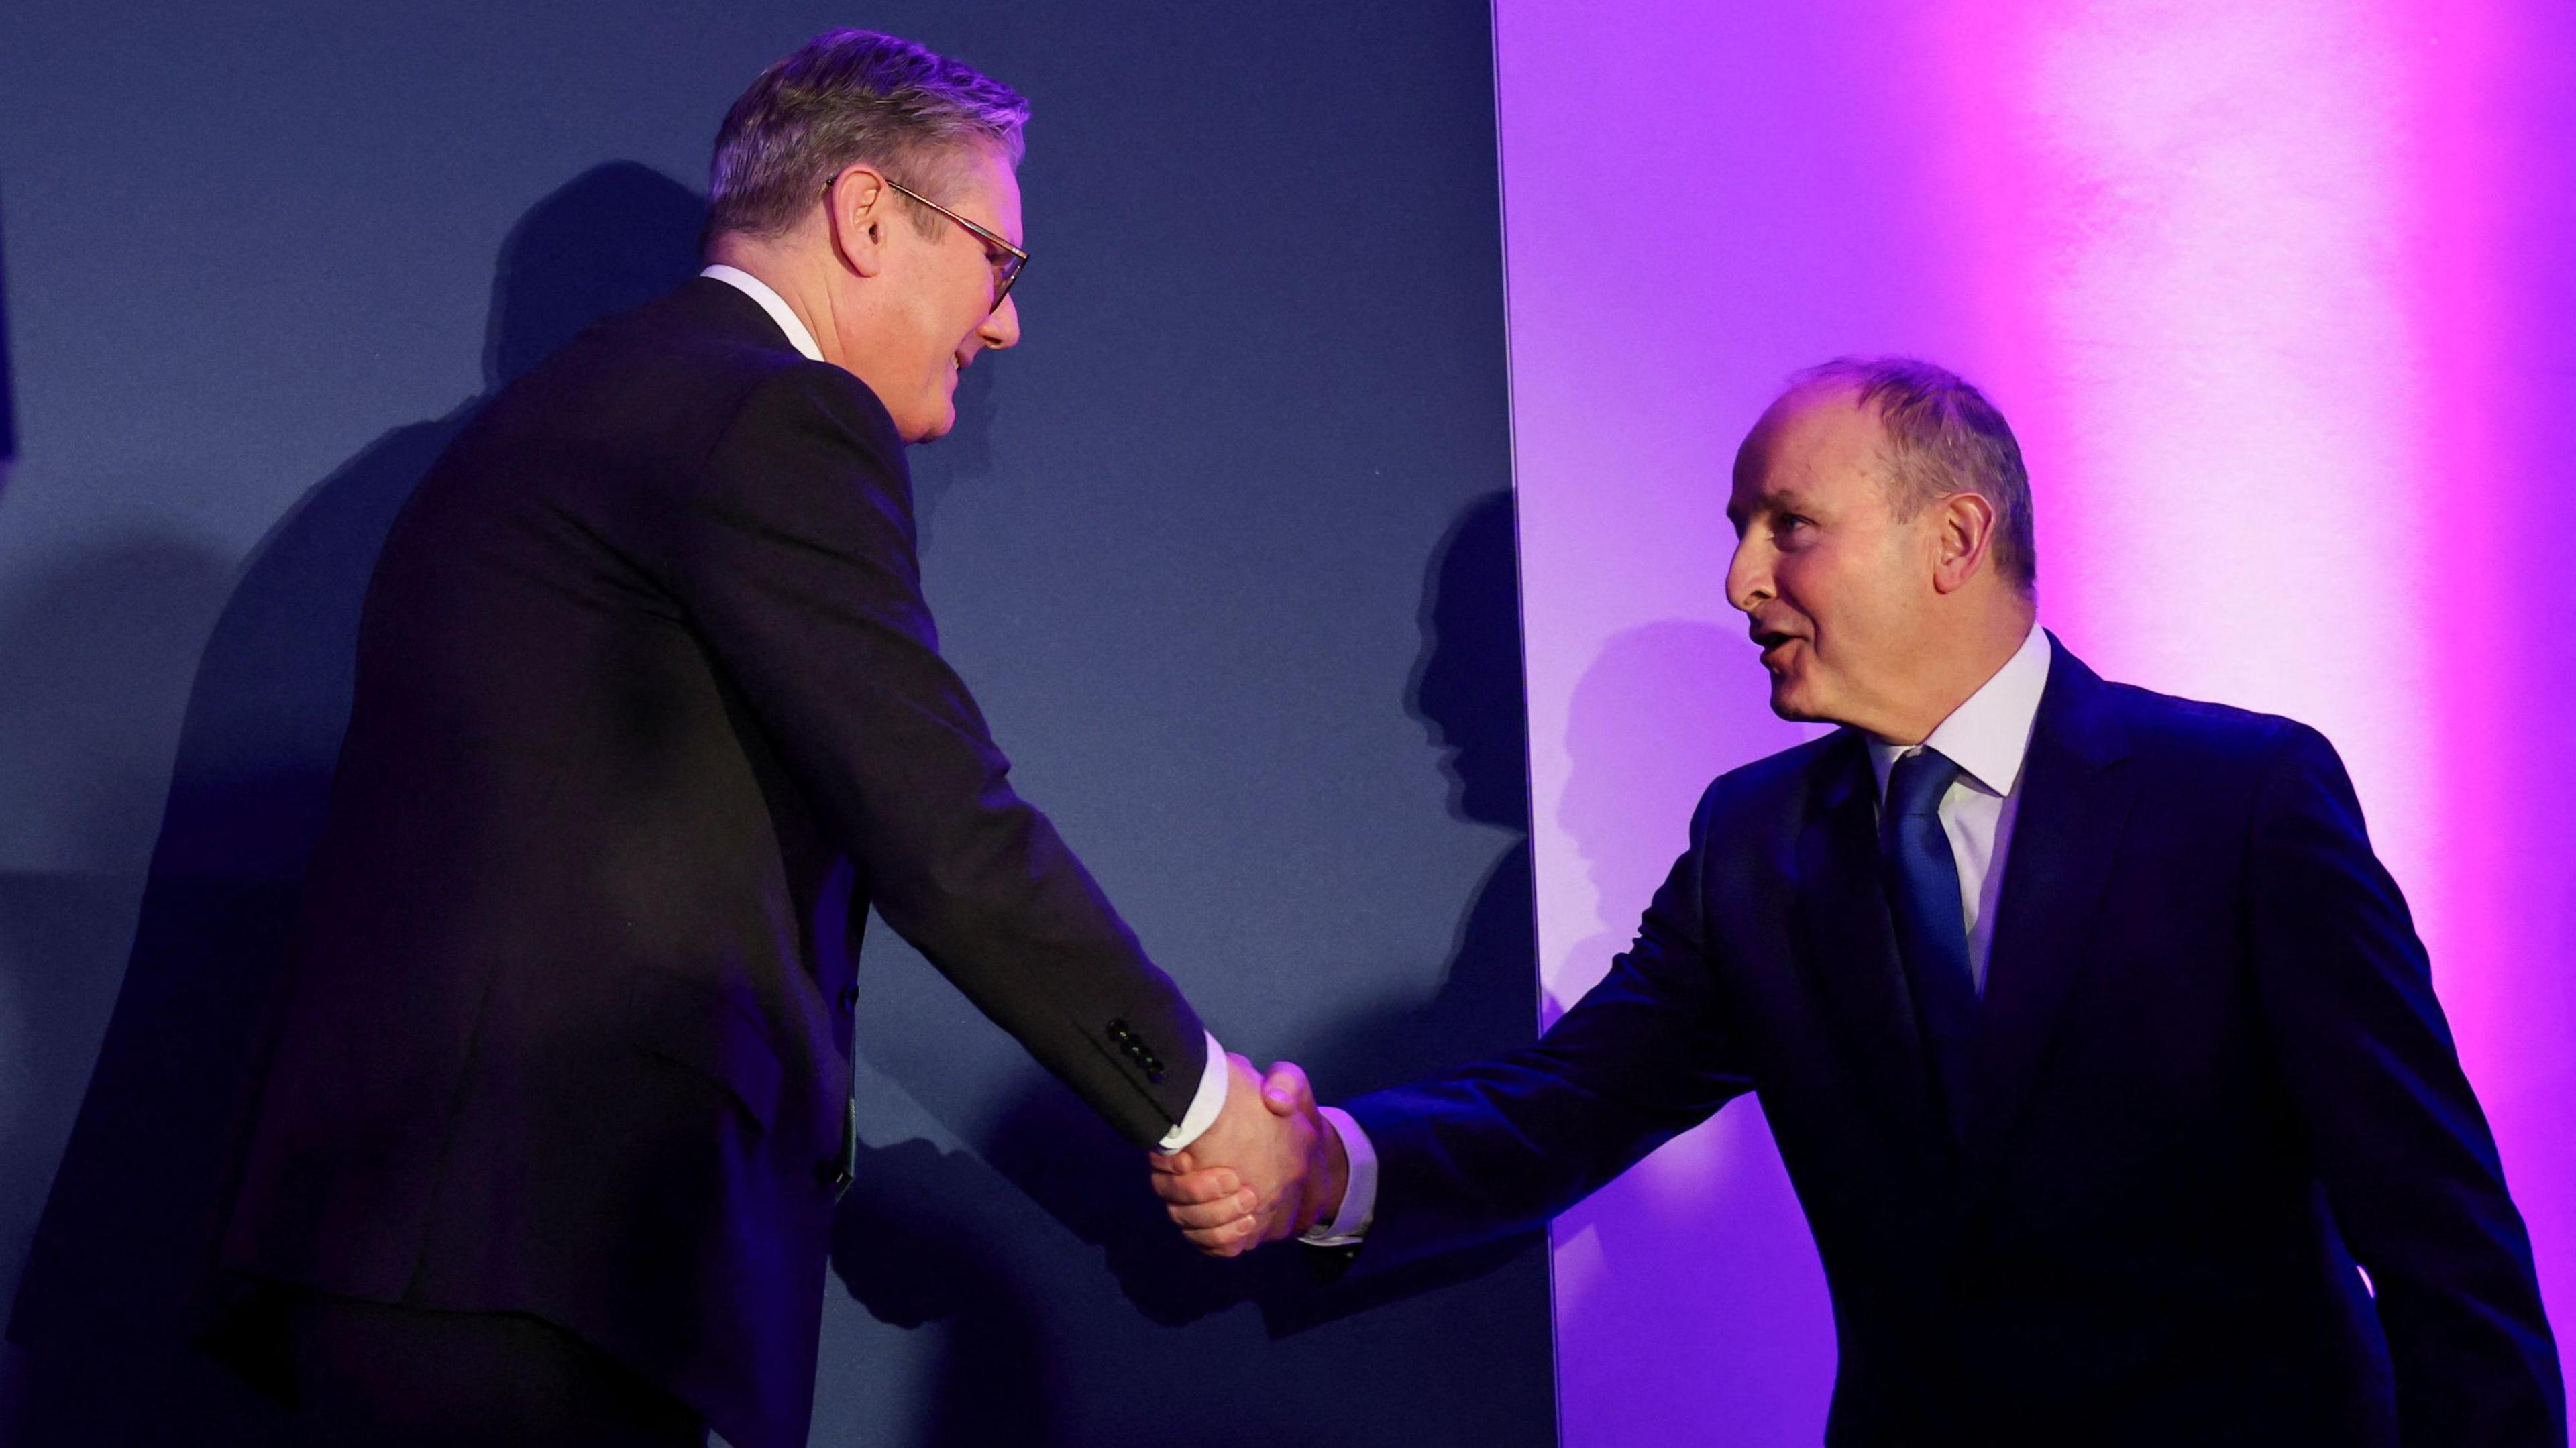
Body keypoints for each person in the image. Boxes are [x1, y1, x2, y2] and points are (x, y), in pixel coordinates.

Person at [211, 30, 1316, 1448]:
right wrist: (1204, 1108)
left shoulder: (588, 410)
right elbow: (941, 827)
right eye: (999, 262)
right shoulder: (772, 414)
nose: (1006, 323)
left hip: (439, 1248)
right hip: (531, 1261)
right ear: (867, 218)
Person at [1155, 358, 2566, 1445]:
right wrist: (1326, 1169)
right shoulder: (1756, 844)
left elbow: (2440, 1231)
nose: (1739, 579)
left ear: (1953, 539)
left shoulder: (2242, 800)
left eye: (1791, 527)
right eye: (1738, 529)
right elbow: (1566, 1108)